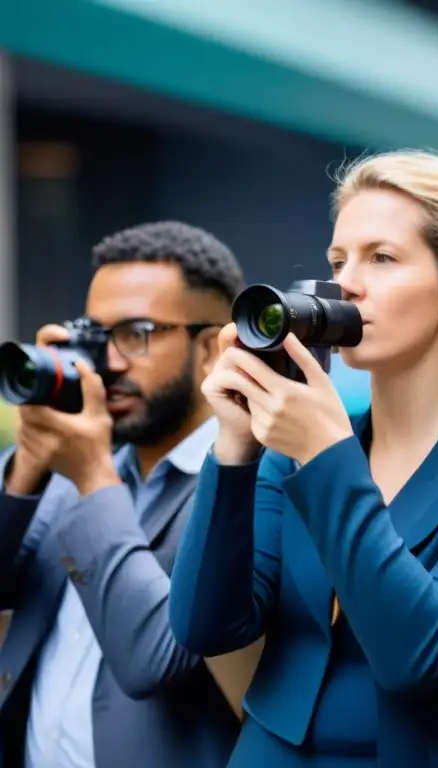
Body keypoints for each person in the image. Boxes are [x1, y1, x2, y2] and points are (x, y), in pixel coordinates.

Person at [168, 151, 438, 767]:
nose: (347, 282)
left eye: (382, 257)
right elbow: (206, 627)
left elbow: (423, 654)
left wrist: (326, 455)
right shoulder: (295, 447)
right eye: (338, 260)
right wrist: (236, 448)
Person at [0, 222, 262, 768]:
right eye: (95, 334)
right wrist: (30, 457)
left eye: (137, 333)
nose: (109, 363)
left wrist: (94, 474)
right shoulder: (63, 463)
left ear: (213, 348)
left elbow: (155, 659)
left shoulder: (249, 484)